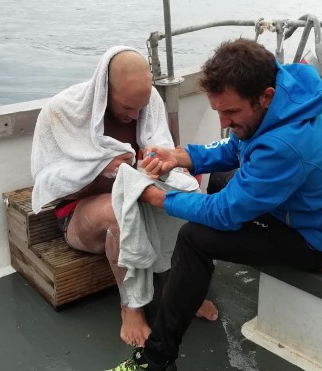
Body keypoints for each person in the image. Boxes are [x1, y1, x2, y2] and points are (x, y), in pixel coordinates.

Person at [120, 38, 322, 370]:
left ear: (265, 97)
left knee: (195, 238)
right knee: (222, 184)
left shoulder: (284, 144)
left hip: (318, 238)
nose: (223, 122)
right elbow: (237, 146)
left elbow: (224, 212)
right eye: (218, 110)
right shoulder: (283, 101)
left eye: (231, 112)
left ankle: (155, 360)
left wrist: (159, 198)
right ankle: (187, 296)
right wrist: (181, 156)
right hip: (306, 211)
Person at [30, 46, 218, 349]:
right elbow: (48, 183)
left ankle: (179, 289)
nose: (134, 116)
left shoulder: (147, 101)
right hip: (82, 214)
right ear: (105, 90)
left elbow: (161, 147)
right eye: (127, 108)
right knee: (117, 212)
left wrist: (158, 163)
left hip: (140, 197)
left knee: (188, 193)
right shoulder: (61, 112)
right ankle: (131, 306)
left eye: (140, 109)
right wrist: (101, 171)